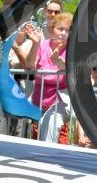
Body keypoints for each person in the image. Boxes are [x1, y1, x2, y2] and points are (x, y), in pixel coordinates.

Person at [29, 12, 73, 142]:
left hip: (60, 102)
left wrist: (58, 61)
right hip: (37, 101)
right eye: (60, 29)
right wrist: (35, 44)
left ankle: (46, 156)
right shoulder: (42, 45)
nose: (63, 33)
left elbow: (67, 69)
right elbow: (30, 66)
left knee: (50, 123)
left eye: (68, 30)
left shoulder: (72, 49)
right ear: (52, 29)